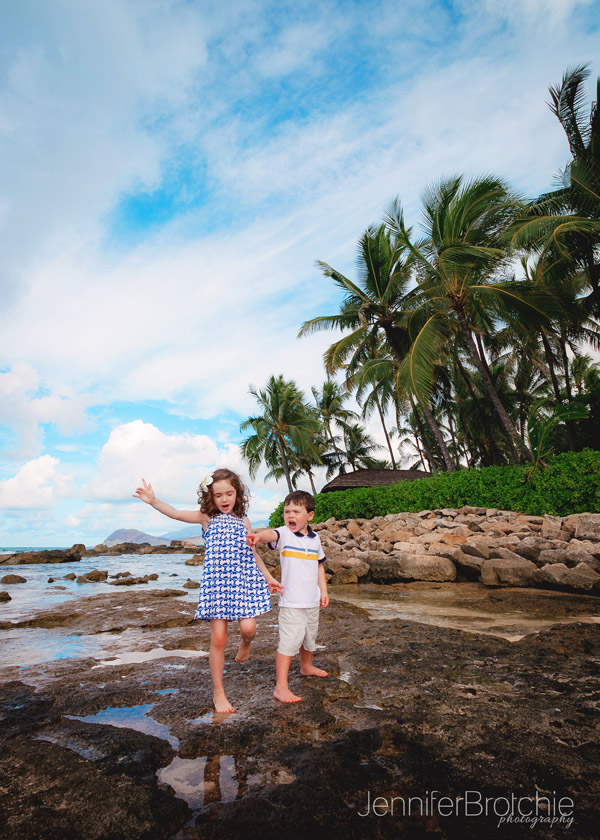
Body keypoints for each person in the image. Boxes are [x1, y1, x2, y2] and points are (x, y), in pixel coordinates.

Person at [133, 469, 282, 714]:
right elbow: (177, 514)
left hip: (243, 582)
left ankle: (245, 644)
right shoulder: (206, 518)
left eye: (229, 494)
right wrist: (153, 501)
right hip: (216, 585)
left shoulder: (243, 520)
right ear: (210, 497)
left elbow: (252, 553)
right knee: (219, 638)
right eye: (218, 495)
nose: (224, 499)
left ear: (238, 494)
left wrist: (269, 578)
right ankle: (219, 692)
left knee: (249, 629)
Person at [246, 490, 329, 703]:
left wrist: (324, 591)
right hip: (291, 601)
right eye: (286, 511)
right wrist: (258, 537)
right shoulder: (285, 533)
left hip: (312, 599)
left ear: (309, 516)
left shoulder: (315, 539)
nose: (290, 515)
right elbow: (270, 534)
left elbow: (319, 566)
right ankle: (281, 687)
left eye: (296, 511)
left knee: (309, 636)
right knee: (289, 641)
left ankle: (306, 666)